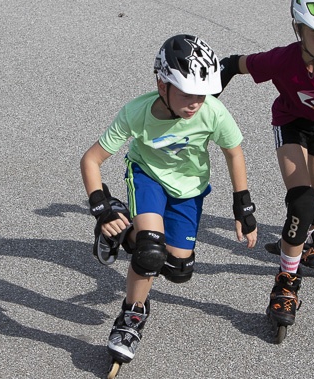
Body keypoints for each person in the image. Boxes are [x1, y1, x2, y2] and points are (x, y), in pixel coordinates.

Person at [80, 34, 258, 365]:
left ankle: (121, 230)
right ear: (162, 84)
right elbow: (91, 160)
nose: (195, 103)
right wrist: (101, 210)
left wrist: (243, 206)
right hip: (147, 176)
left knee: (178, 268)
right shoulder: (136, 112)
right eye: (187, 94)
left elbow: (233, 153)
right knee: (150, 250)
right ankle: (130, 319)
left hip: (189, 189)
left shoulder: (213, 112)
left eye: (201, 95)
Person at [216, 0, 314, 333]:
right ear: (298, 29)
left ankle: (300, 239)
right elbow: (232, 64)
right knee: (302, 202)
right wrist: (205, 101)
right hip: (289, 125)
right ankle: (286, 285)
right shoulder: (281, 59)